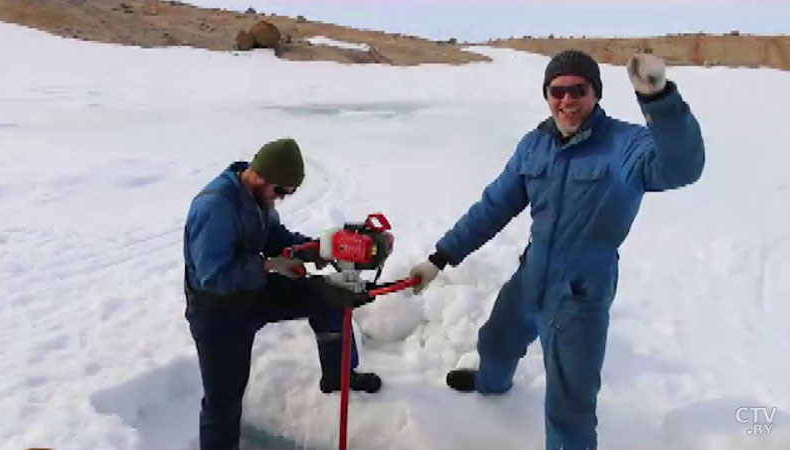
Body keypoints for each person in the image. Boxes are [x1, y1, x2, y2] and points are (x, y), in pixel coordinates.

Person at [409, 50, 704, 449]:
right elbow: (494, 206)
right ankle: (490, 385)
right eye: (557, 91)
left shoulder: (624, 146)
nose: (567, 100)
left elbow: (683, 165)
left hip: (580, 292)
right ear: (546, 95)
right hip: (533, 273)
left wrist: (658, 98)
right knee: (495, 341)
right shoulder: (535, 146)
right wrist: (440, 257)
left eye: (577, 90)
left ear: (595, 93)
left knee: (570, 404)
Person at [183, 138, 381, 450]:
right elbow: (213, 276)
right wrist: (267, 266)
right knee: (224, 402)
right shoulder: (215, 207)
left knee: (328, 295)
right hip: (218, 312)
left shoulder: (259, 197)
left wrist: (318, 250)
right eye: (281, 192)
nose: (282, 199)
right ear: (261, 177)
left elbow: (276, 238)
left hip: (254, 292)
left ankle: (338, 375)